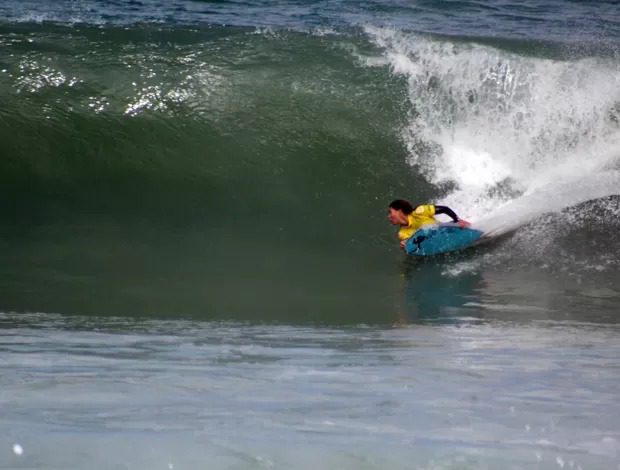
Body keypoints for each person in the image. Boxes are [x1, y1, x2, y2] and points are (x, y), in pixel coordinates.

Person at [388, 199, 470, 250]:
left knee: (459, 225)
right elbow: (415, 244)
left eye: (390, 212)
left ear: (399, 211)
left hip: (447, 229)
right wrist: (407, 245)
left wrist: (458, 220)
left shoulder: (419, 212)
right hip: (437, 242)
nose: (389, 216)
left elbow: (445, 209)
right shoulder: (402, 233)